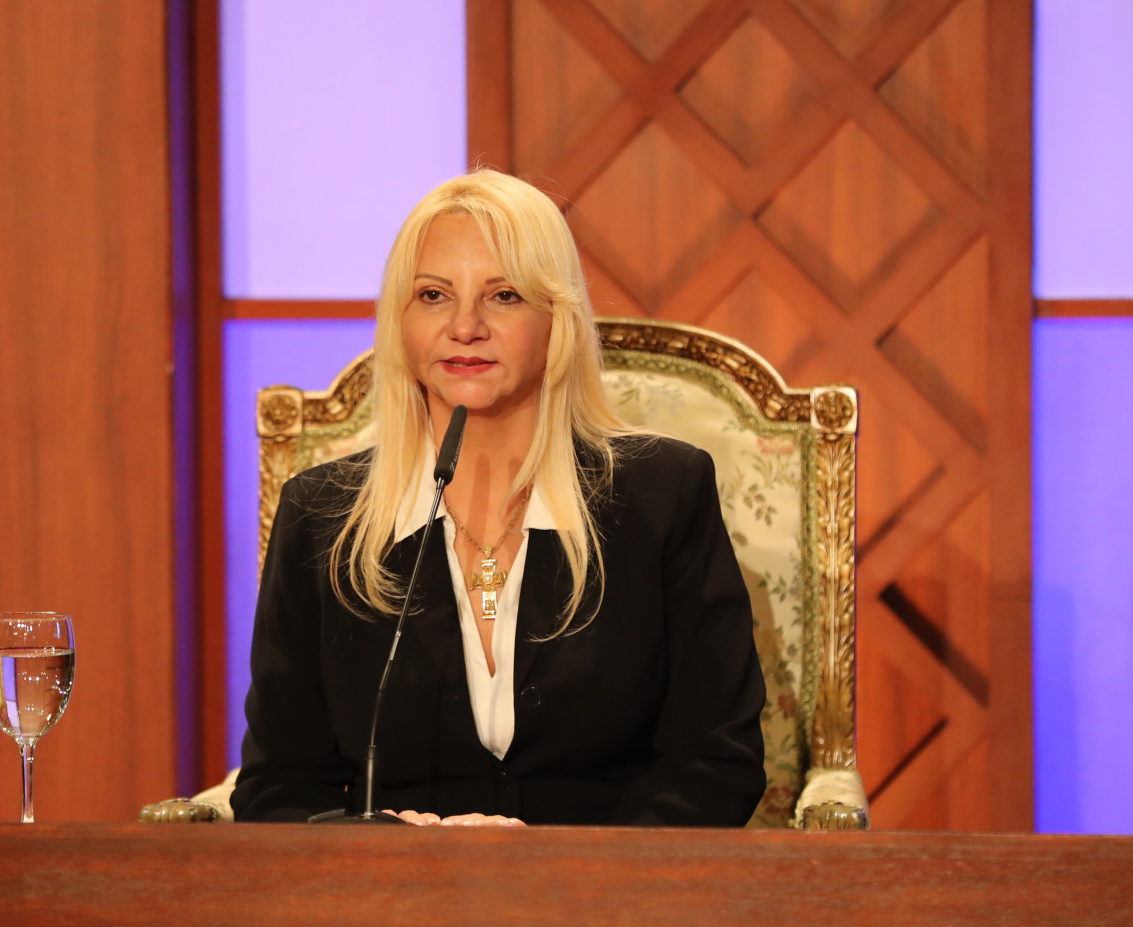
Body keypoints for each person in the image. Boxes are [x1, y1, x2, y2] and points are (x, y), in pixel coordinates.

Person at [232, 169, 765, 827]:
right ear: (400, 322)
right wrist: (381, 849)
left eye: (504, 295)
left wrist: (571, 869)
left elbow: (716, 760)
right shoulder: (322, 517)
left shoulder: (662, 496)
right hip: (394, 889)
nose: (465, 327)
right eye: (433, 295)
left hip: (607, 884)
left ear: (557, 319)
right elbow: (279, 788)